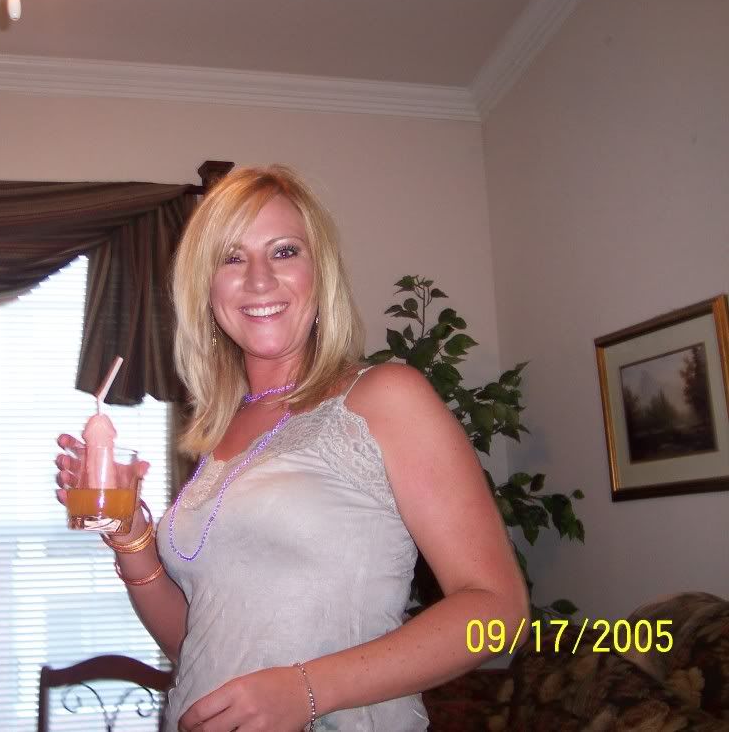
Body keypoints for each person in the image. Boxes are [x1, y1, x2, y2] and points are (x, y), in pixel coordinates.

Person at [57, 165, 529, 731]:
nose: (259, 280)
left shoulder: (384, 396)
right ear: (206, 290)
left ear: (319, 273)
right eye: (231, 258)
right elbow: (201, 648)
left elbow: (497, 612)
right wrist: (131, 536)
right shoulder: (222, 435)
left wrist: (308, 689)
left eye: (283, 252)